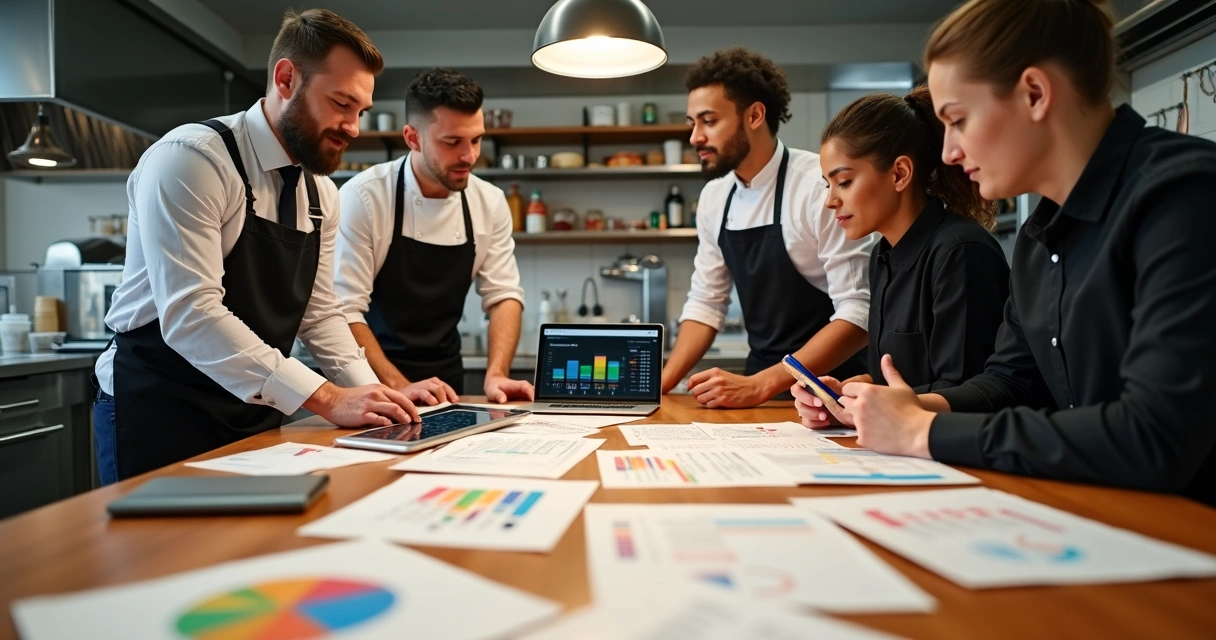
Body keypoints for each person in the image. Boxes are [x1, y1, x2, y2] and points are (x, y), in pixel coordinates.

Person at [797, 0, 1216, 505]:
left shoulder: (1183, 197)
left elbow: (1155, 435)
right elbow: (1010, 382)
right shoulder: (1041, 237)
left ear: (1035, 94)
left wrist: (921, 432)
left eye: (958, 120)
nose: (948, 152)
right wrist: (905, 407)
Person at [92, 9, 420, 485]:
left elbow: (320, 313)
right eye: (340, 103)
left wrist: (375, 401)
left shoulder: (321, 194)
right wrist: (327, 399)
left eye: (360, 112)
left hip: (252, 411)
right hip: (159, 407)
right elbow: (192, 313)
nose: (353, 126)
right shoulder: (192, 160)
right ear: (286, 79)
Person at [662, 47, 875, 409]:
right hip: (756, 389)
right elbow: (706, 303)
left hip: (832, 389)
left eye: (708, 121)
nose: (695, 137)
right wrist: (658, 385)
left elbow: (858, 313)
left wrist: (761, 385)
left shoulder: (816, 187)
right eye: (691, 123)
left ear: (755, 115)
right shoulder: (716, 197)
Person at [791, 85, 1010, 421]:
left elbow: (968, 392)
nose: (830, 200)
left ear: (900, 174)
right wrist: (845, 395)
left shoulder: (961, 253)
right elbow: (892, 379)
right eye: (827, 184)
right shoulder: (882, 255)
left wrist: (871, 403)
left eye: (844, 182)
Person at [334, 68, 532, 405]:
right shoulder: (365, 197)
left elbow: (503, 296)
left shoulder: (489, 202)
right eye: (452, 142)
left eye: (476, 139)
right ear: (412, 138)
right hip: (371, 386)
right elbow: (344, 310)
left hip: (446, 385)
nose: (469, 156)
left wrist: (497, 374)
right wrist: (398, 386)